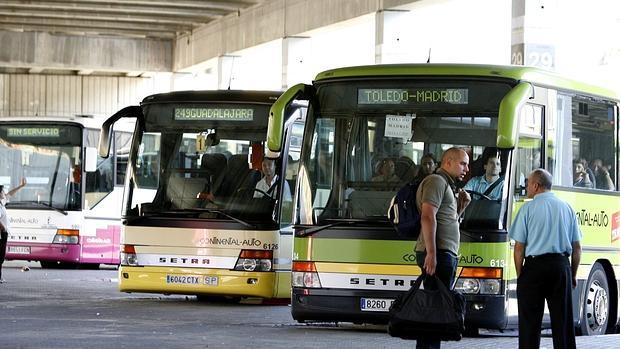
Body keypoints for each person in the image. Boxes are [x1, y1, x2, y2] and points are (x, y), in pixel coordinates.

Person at [509, 169, 581, 349]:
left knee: (529, 323)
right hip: (560, 266)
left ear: (536, 185)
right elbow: (577, 248)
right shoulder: (567, 208)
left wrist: (521, 275)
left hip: (534, 267)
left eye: (528, 183)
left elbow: (519, 248)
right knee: (562, 322)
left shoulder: (527, 209)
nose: (526, 187)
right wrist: (572, 274)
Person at [415, 147, 471, 349]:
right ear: (448, 162)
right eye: (462, 163)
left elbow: (445, 219)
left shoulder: (446, 184)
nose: (466, 168)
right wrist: (431, 253)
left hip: (443, 252)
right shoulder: (436, 182)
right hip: (437, 253)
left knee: (437, 307)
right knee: (434, 307)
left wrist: (460, 208)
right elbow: (428, 216)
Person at [0, 178, 27, 284]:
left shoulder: (2, 202)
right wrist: (3, 228)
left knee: (1, 257)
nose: (4, 193)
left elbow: (10, 194)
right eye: (2, 192)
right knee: (0, 256)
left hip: (3, 233)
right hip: (1, 234)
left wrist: (21, 186)